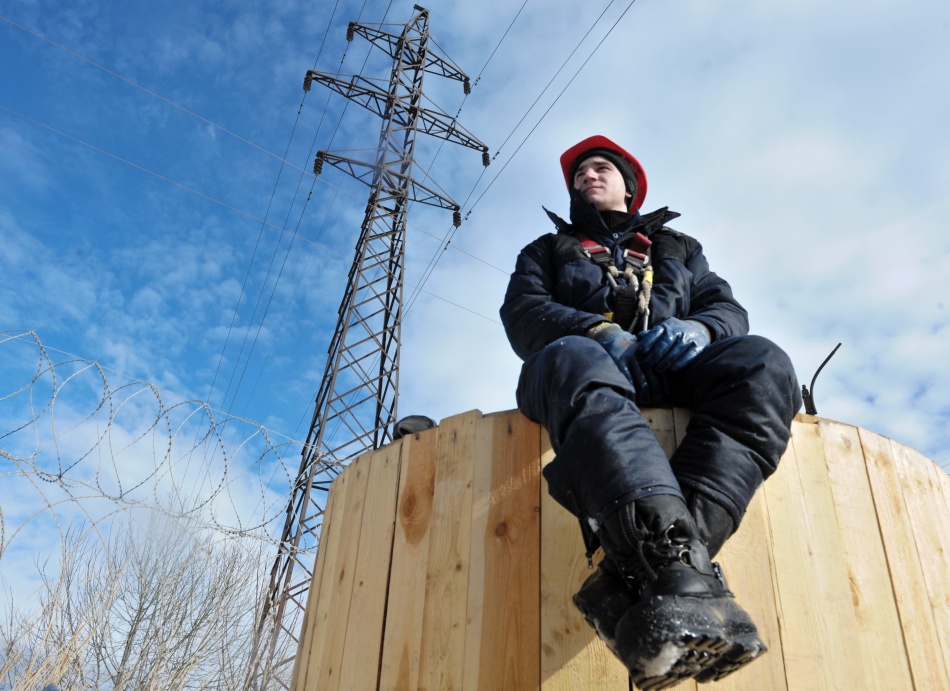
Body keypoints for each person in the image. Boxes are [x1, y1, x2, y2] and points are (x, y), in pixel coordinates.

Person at [499, 135, 801, 689]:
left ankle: (641, 580)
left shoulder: (679, 247)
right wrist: (595, 329)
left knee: (765, 363)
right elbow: (524, 312)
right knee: (571, 355)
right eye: (579, 173)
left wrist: (700, 328)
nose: (588, 176)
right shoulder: (545, 249)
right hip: (579, 366)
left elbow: (726, 307)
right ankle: (669, 580)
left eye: (600, 168)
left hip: (670, 368)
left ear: (629, 186)